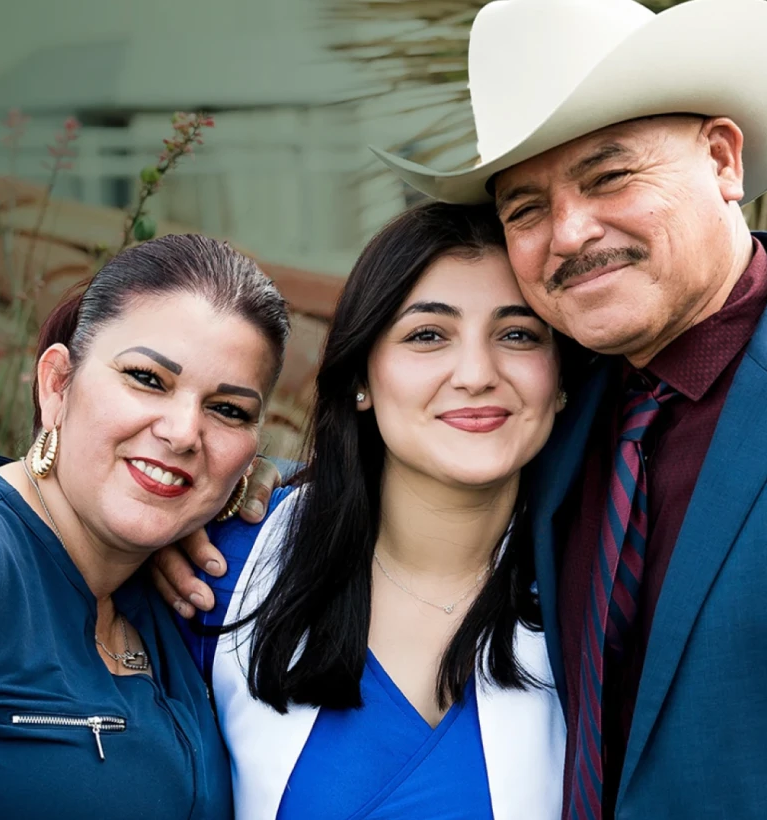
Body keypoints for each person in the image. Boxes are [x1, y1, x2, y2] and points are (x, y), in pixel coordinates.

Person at [166, 0, 767, 817]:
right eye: (526, 207)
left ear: (724, 158)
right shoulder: (561, 407)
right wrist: (208, 500)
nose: (570, 232)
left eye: (610, 176)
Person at [0, 234, 290, 820]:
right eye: (147, 378)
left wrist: (277, 483)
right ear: (57, 383)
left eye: (228, 410)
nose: (184, 432)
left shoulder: (160, 594)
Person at [168, 202, 567, 820]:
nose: (476, 374)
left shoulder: (611, 587)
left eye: (517, 335)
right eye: (427, 335)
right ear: (360, 377)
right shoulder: (220, 573)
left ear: (561, 379)